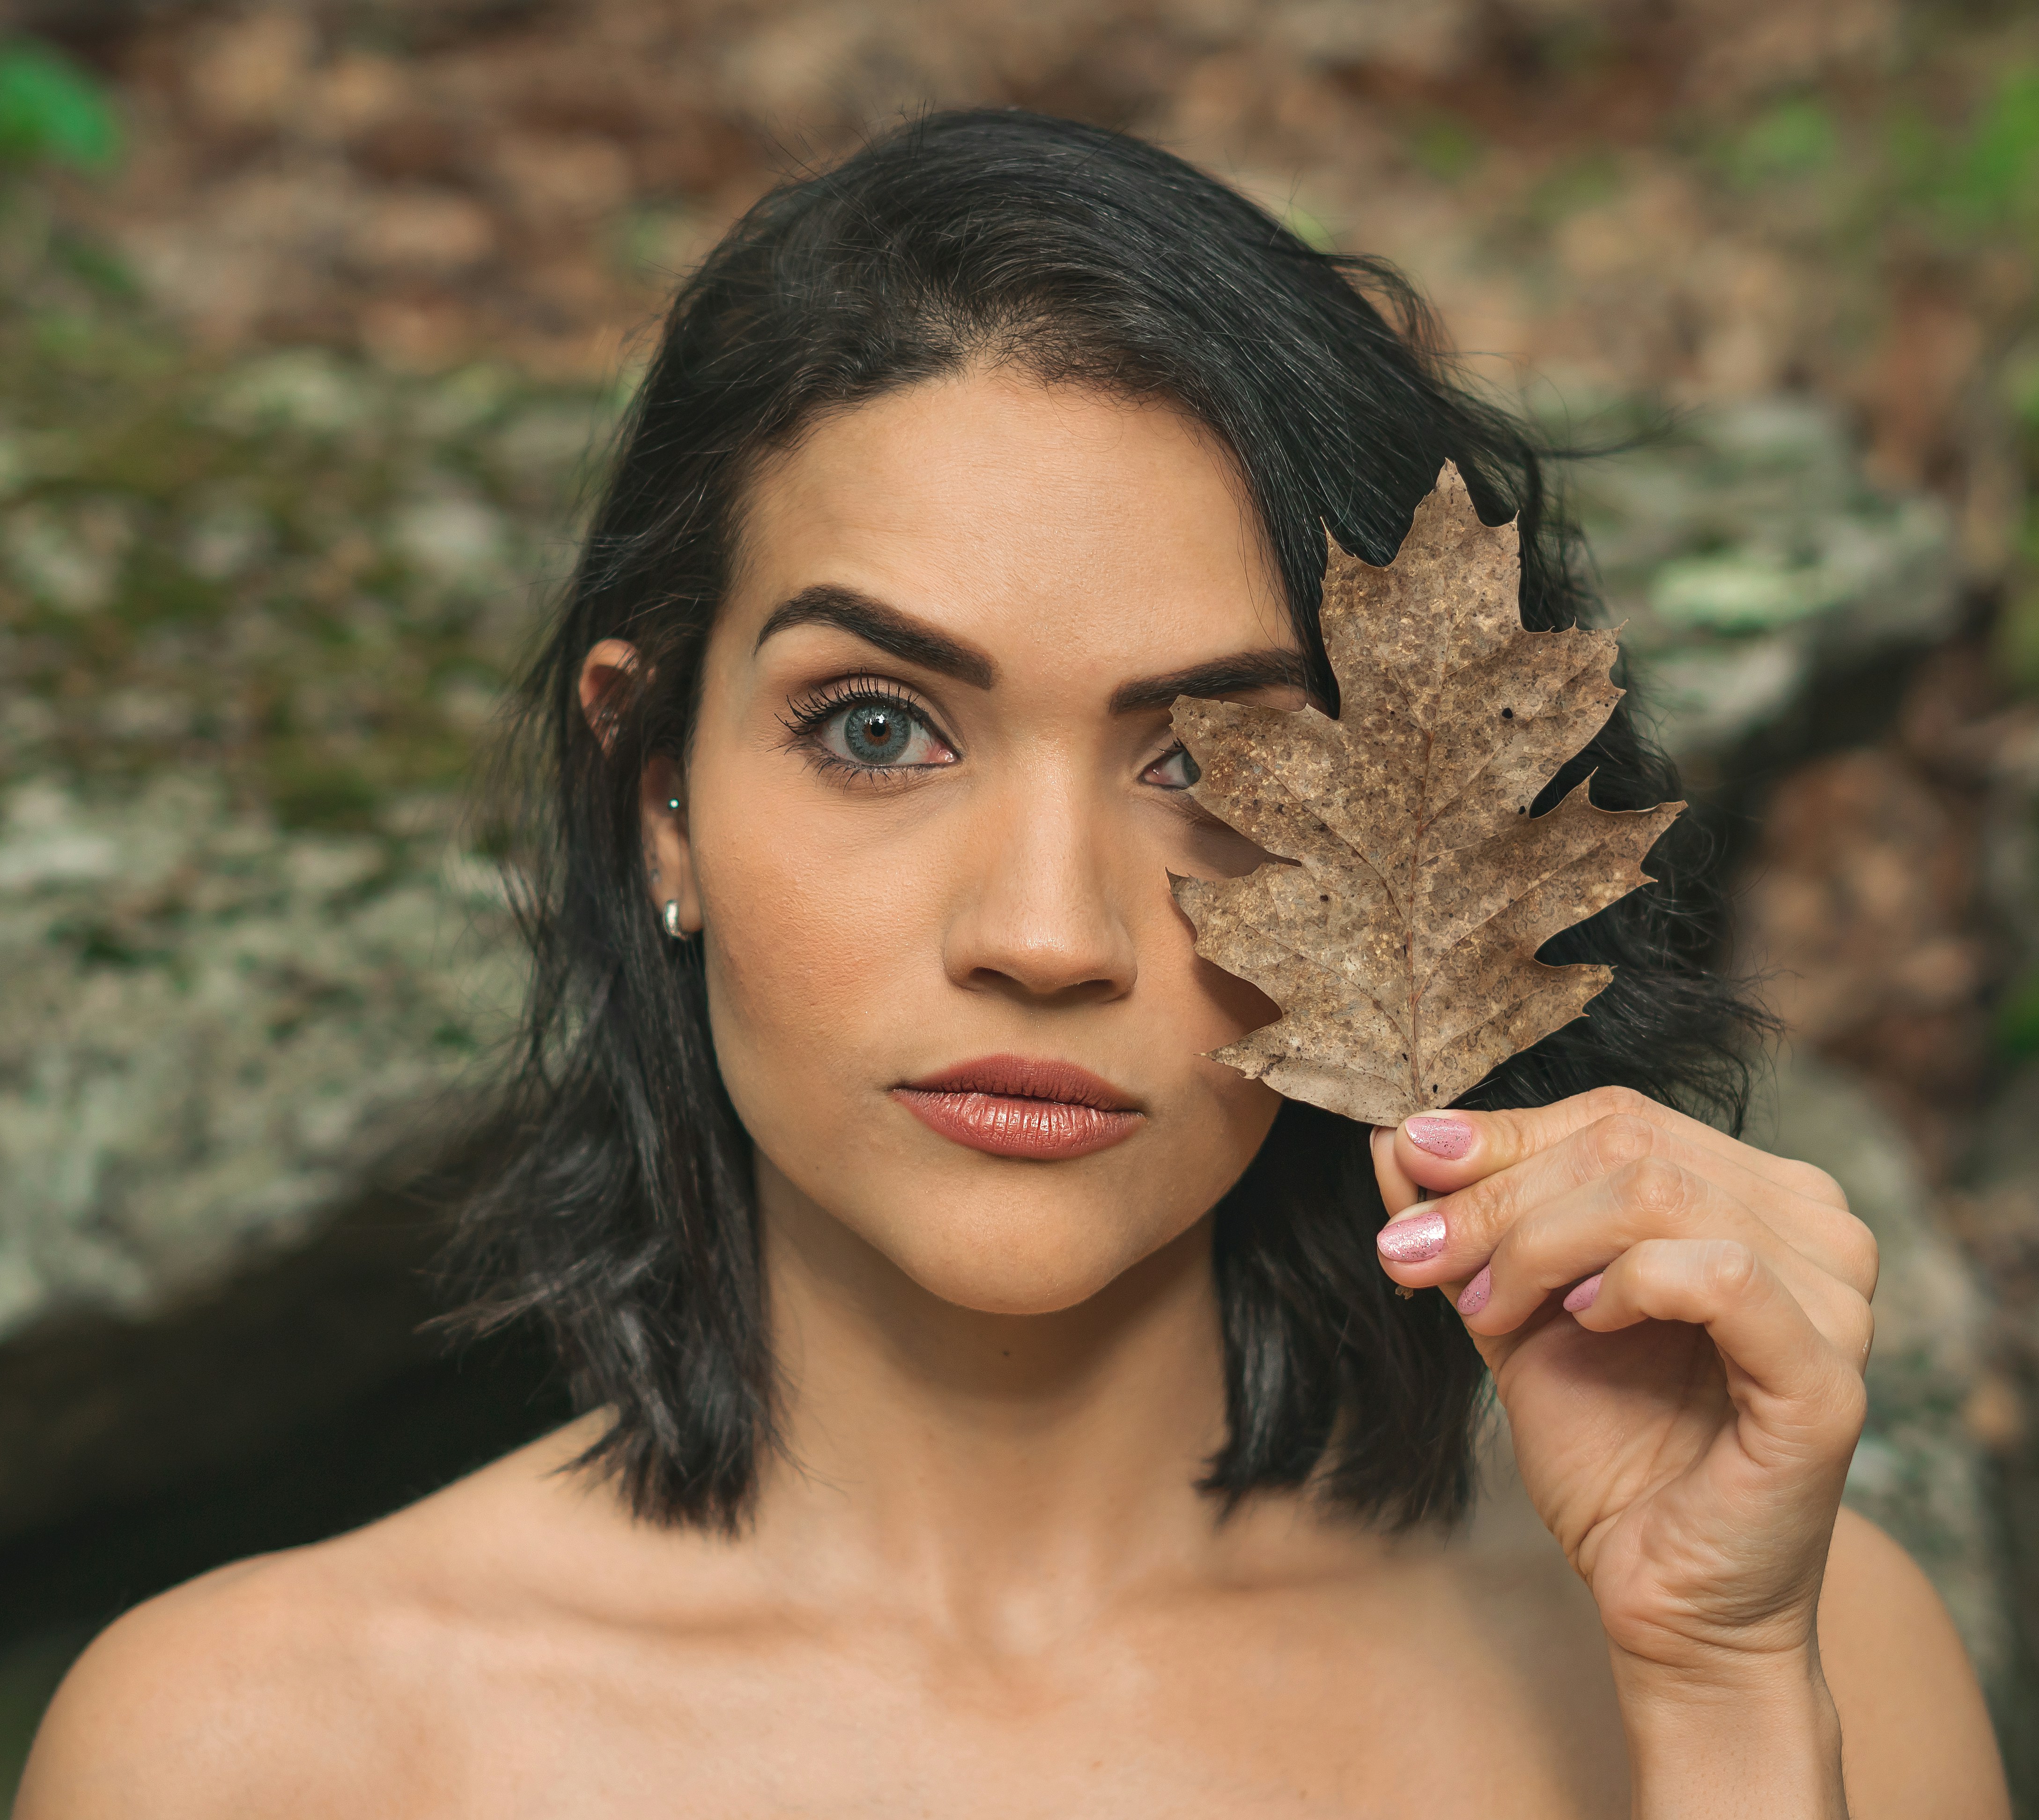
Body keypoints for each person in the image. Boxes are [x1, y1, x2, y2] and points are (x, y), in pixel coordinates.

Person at [19, 110, 2008, 1819]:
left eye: (1211, 762)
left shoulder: (1789, 1656)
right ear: (658, 796)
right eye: (879, 727)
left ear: (1414, 853)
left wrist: (1720, 1703)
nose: (1046, 936)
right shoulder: (252, 1751)